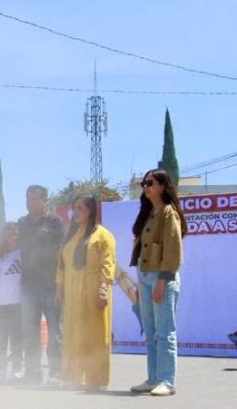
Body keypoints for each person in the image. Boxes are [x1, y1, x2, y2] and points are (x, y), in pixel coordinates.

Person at [129, 170, 185, 397]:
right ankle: (153, 378)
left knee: (165, 332)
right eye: (144, 183)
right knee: (150, 332)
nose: (145, 187)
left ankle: (167, 381)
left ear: (162, 186)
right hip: (145, 276)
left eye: (150, 183)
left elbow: (172, 251)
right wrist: (140, 284)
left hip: (162, 277)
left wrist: (163, 280)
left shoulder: (169, 213)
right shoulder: (149, 212)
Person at [55, 194, 116, 390]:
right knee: (73, 333)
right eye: (75, 208)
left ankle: (96, 379)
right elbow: (62, 265)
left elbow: (109, 264)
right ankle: (73, 377)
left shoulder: (103, 235)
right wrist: (59, 290)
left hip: (93, 288)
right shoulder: (71, 236)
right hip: (72, 291)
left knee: (95, 333)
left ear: (90, 211)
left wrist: (103, 288)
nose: (76, 212)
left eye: (81, 208)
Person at [17, 185, 65, 383]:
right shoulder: (22, 223)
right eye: (28, 198)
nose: (30, 202)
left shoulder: (55, 222)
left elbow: (64, 252)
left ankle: (55, 372)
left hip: (51, 286)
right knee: (30, 332)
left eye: (35, 198)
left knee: (55, 332)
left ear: (45, 201)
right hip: (29, 286)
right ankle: (33, 372)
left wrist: (61, 285)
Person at [0, 222, 23, 382]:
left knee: (17, 338)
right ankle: (0, 369)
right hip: (1, 304)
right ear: (4, 236)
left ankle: (17, 369)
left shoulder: (24, 254)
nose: (11, 236)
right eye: (8, 233)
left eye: (14, 233)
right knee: (1, 339)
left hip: (19, 304)